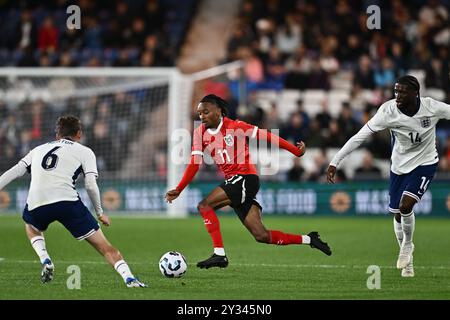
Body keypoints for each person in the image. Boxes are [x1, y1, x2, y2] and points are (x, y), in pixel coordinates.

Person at [165, 94, 331, 269]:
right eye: (199, 114)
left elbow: (268, 137)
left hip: (246, 178)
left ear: (219, 111)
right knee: (262, 236)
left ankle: (219, 254)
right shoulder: (200, 133)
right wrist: (179, 188)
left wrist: (295, 151)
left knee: (204, 206)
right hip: (234, 183)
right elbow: (194, 163)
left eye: (206, 112)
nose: (202, 116)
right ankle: (310, 239)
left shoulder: (236, 126)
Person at [0, 116, 147, 287]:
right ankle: (130, 279)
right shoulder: (85, 152)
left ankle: (45, 258)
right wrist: (100, 213)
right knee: (105, 247)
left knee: (31, 227)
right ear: (79, 134)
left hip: (37, 202)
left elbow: (14, 171)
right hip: (67, 203)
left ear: (57, 134)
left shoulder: (38, 149)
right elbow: (91, 185)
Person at [326, 75, 450, 278]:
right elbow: (360, 136)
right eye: (396, 91)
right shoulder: (387, 111)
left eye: (402, 91)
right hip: (399, 166)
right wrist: (335, 161)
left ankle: (407, 246)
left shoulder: (432, 107)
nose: (397, 95)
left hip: (425, 163)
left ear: (415, 92)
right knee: (397, 214)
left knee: (405, 206)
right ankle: (408, 262)